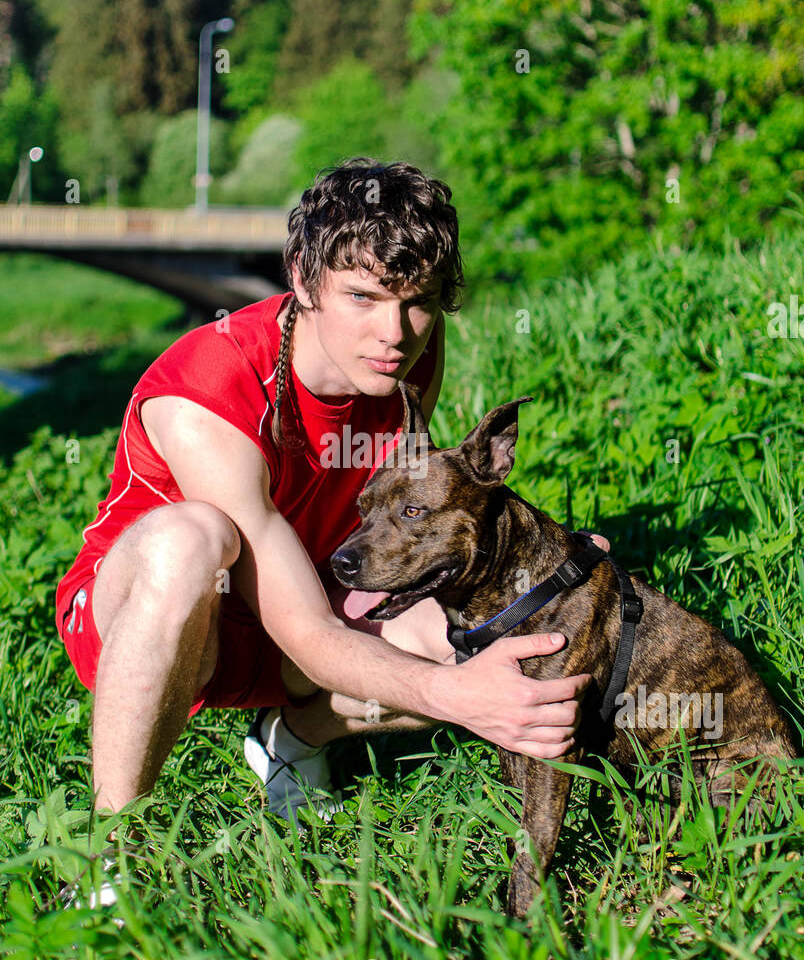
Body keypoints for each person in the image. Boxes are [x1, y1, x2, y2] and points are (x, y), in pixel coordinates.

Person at [55, 157, 606, 840]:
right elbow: (312, 636)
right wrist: (454, 698)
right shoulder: (211, 389)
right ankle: (105, 858)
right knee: (190, 540)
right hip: (164, 620)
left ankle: (292, 740)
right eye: (362, 298)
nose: (395, 332)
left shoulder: (402, 357)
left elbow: (421, 514)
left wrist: (547, 560)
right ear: (302, 278)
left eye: (419, 301)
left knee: (498, 632)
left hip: (306, 593)